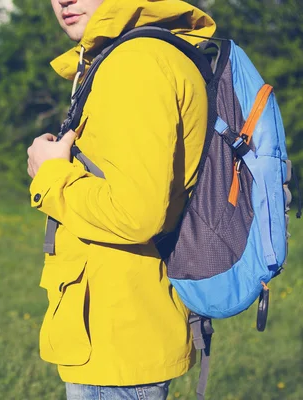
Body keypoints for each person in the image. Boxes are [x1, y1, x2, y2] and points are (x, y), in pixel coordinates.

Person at [26, 0, 217, 399]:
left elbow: (134, 214)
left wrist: (50, 175)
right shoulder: (145, 53)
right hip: (124, 324)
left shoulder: (136, 63)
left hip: (117, 335)